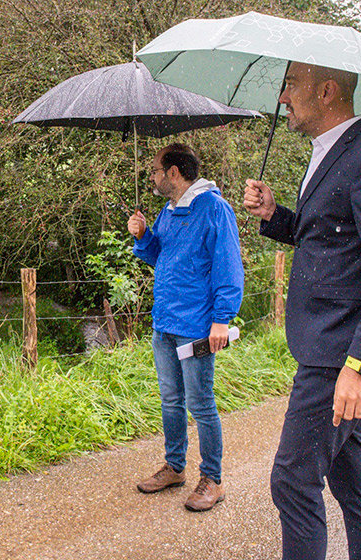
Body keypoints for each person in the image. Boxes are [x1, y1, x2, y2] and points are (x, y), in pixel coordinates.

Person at [243, 62, 361, 560]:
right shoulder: (332, 154)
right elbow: (329, 239)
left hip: (342, 350)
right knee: (353, 480)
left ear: (326, 92)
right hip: (327, 342)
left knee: (292, 481)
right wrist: (275, 215)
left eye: (290, 85)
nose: (282, 98)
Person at [128, 142, 244, 512]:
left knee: (201, 404)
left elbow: (229, 266)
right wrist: (143, 235)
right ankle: (175, 467)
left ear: (174, 173)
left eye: (156, 171)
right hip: (164, 322)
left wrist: (222, 319)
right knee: (170, 401)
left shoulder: (215, 209)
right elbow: (159, 257)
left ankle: (213, 479)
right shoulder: (168, 212)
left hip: (196, 325)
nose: (153, 177)